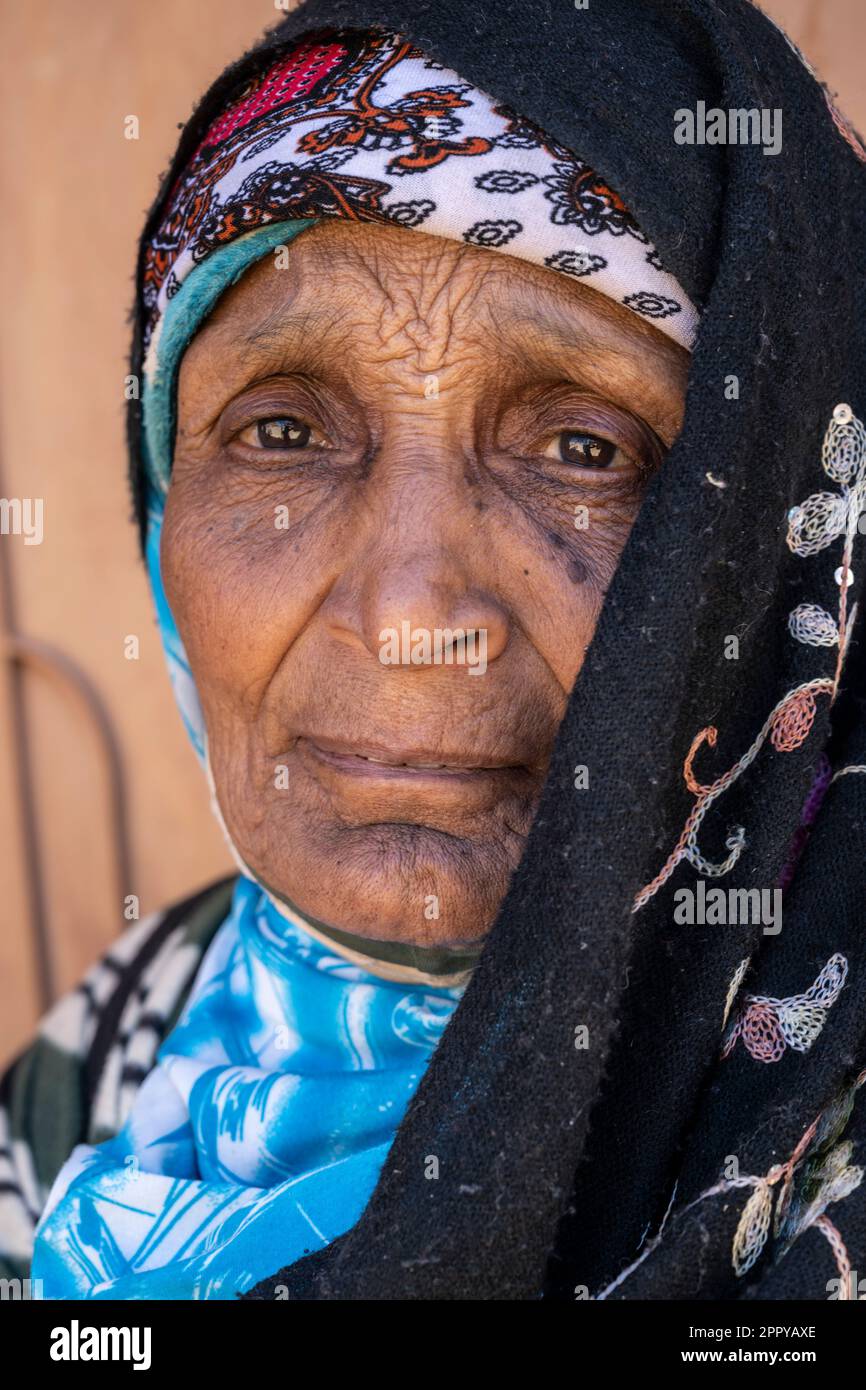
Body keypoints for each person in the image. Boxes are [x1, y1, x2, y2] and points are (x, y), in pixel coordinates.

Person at [2, 0, 865, 1301]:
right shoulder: (105, 1053)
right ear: (163, 513)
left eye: (584, 448)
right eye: (282, 431)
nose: (410, 611)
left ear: (781, 530)